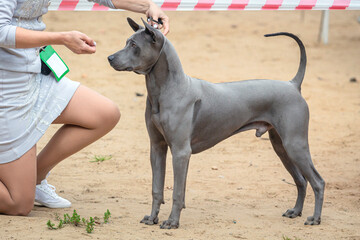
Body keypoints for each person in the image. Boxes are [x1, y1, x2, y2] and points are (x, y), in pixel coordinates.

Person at [0, 0, 169, 216]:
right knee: (19, 204)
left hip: (34, 70)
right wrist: (61, 38)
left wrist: (148, 7)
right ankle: (24, 183)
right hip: (7, 82)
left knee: (105, 114)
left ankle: (36, 177)